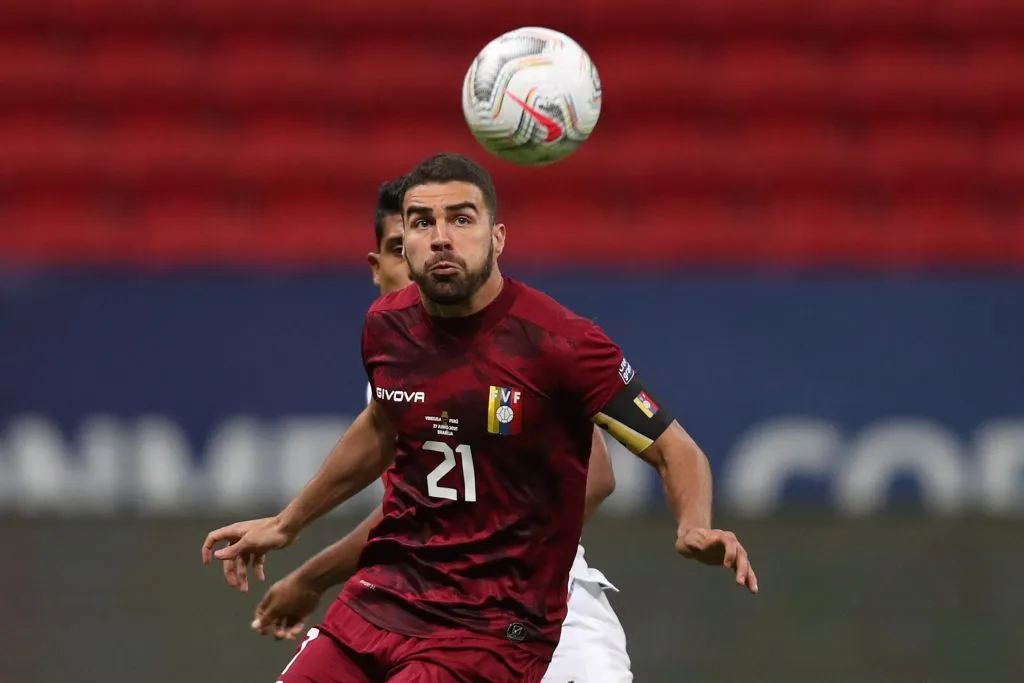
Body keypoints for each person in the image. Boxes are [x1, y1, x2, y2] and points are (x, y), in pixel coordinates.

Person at [202, 153, 757, 683]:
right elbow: (380, 425)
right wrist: (288, 523)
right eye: (421, 222)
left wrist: (693, 524)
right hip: (383, 597)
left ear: (497, 237)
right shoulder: (386, 326)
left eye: (461, 219)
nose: (440, 235)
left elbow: (673, 448)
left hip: (489, 626)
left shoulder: (560, 344)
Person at [243, 178, 633, 682]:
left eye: (449, 232)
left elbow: (597, 475)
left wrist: (500, 555)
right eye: (404, 248)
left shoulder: (515, 349)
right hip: (433, 619)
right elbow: (417, 519)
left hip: (548, 615)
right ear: (379, 266)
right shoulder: (392, 357)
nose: (426, 256)